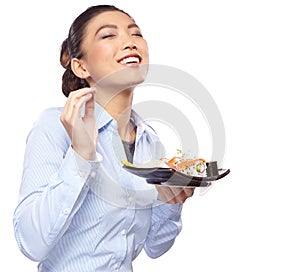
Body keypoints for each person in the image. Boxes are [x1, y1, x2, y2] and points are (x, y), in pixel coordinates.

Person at [13, 5, 195, 271]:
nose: (130, 42)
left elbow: (156, 246)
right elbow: (31, 243)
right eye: (109, 35)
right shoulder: (55, 125)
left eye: (136, 33)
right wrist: (81, 156)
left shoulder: (149, 141)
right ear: (80, 66)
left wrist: (171, 202)